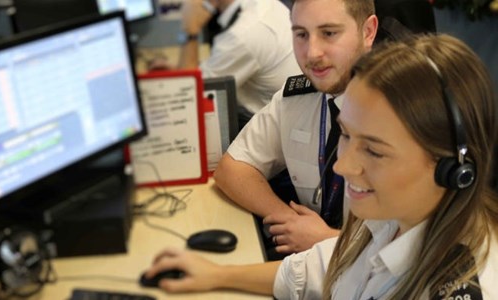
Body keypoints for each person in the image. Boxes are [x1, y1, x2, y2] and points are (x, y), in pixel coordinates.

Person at [142, 34, 498, 299]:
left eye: (374, 151)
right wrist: (217, 275)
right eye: (346, 135)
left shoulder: (460, 286)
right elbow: (317, 270)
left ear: (454, 167)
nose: (342, 166)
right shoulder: (390, 219)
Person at [213, 0, 378, 255]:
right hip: (306, 270)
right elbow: (232, 169)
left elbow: (420, 247)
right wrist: (292, 222)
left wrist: (328, 241)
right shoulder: (296, 99)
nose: (312, 53)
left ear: (368, 32)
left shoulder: (404, 114)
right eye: (301, 34)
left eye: (329, 33)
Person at [152, 0, 299, 125]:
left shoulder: (242, 34)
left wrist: (190, 31)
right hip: (289, 116)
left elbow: (187, 98)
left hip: (273, 131)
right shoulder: (263, 6)